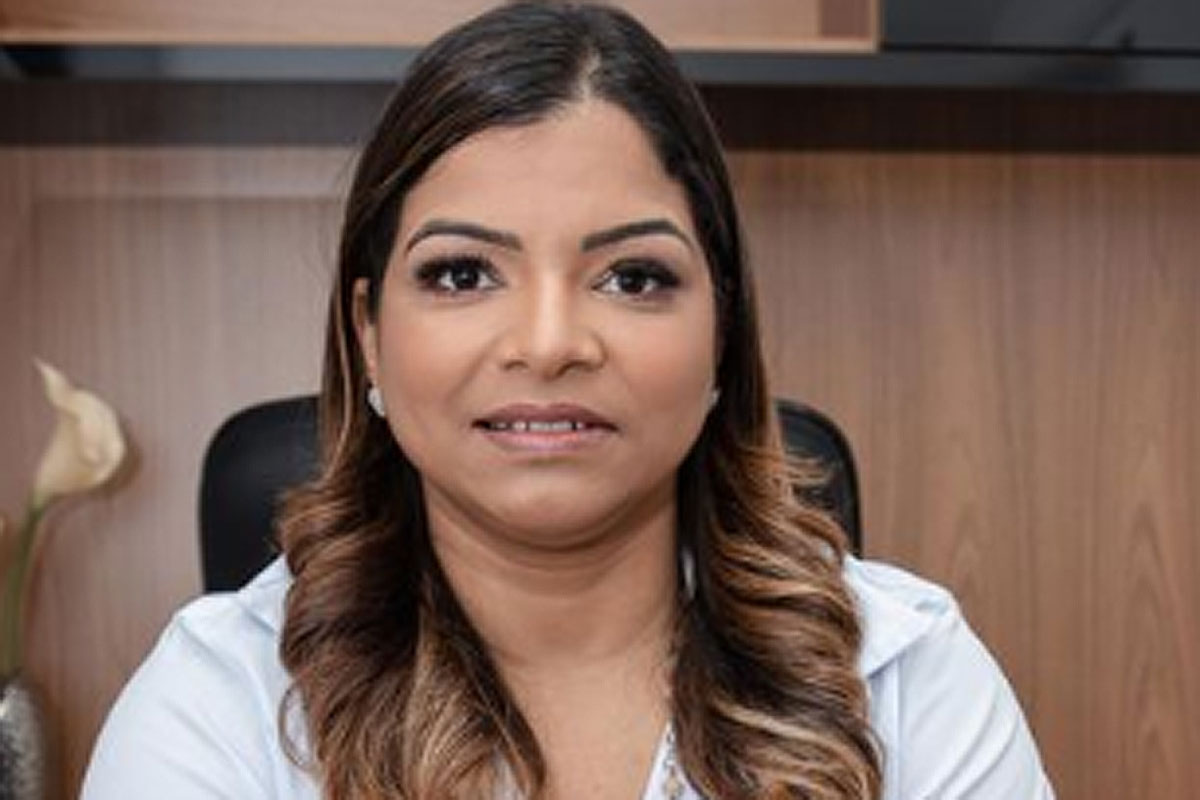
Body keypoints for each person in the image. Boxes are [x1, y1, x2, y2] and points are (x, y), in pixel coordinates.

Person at [81, 2, 1056, 798]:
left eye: (632, 277)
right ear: (369, 333)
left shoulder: (907, 678)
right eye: (463, 273)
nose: (549, 344)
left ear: (723, 333)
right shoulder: (223, 703)